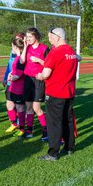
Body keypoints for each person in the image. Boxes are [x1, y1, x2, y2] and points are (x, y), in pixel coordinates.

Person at [36, 27, 78, 161]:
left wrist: (39, 76)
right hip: (69, 92)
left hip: (55, 93)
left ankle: (53, 153)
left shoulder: (54, 53)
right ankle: (69, 147)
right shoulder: (71, 51)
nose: (49, 40)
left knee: (54, 123)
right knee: (68, 120)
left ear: (58, 37)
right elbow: (78, 58)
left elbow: (46, 74)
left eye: (50, 37)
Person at [19, 27, 49, 141]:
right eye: (27, 37)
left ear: (36, 36)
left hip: (39, 80)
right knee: (29, 107)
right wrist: (25, 46)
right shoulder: (27, 47)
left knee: (37, 108)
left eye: (30, 37)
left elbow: (49, 64)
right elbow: (21, 61)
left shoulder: (44, 48)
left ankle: (46, 130)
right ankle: (29, 131)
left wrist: (39, 60)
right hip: (27, 80)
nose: (28, 39)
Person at [5, 38, 26, 136]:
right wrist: (10, 74)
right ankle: (14, 123)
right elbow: (14, 71)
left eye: (12, 46)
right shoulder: (17, 57)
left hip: (19, 87)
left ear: (16, 47)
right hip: (12, 86)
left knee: (20, 108)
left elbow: (20, 74)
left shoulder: (21, 59)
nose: (11, 48)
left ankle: (22, 129)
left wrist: (12, 78)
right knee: (9, 105)